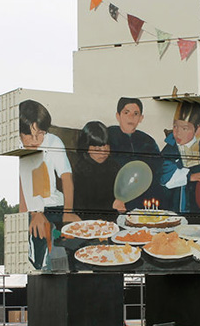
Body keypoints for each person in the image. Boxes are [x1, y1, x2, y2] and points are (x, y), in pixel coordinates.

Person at [18, 99, 81, 270]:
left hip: (55, 205)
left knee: (81, 233)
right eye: (30, 136)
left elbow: (66, 177)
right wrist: (32, 214)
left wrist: (69, 212)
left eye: (40, 134)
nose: (36, 140)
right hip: (32, 208)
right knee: (39, 239)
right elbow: (23, 186)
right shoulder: (18, 148)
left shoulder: (54, 142)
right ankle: (40, 264)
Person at [107, 97, 162, 209]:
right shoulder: (107, 136)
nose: (131, 117)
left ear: (141, 118)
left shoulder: (148, 141)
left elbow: (158, 168)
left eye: (135, 113)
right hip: (114, 194)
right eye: (126, 112)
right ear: (118, 116)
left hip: (143, 195)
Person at [73, 121, 125, 217]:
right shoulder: (80, 170)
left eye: (106, 149)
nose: (103, 154)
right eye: (97, 150)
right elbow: (79, 207)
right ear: (86, 148)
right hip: (88, 221)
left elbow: (121, 194)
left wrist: (121, 203)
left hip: (113, 219)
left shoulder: (114, 166)